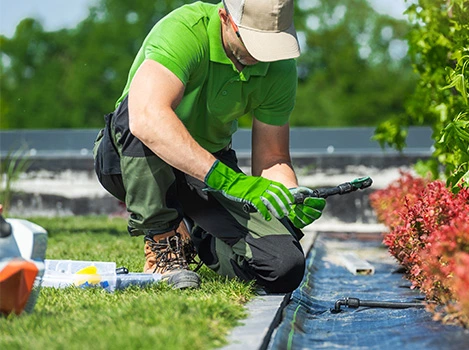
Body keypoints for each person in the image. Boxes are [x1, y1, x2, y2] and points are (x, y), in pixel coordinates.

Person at [92, 0, 325, 292]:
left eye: (271, 43)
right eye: (253, 40)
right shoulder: (185, 31)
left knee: (284, 268)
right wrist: (226, 180)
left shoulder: (279, 67)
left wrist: (288, 198)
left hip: (206, 166)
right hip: (130, 159)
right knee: (139, 109)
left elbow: (273, 157)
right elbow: (146, 118)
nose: (262, 54)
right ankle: (163, 243)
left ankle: (203, 239)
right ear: (225, 17)